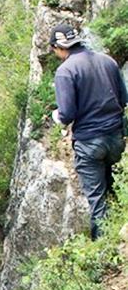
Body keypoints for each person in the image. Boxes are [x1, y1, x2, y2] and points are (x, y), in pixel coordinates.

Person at [50, 23, 128, 239]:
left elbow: (67, 114)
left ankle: (103, 250)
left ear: (58, 47)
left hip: (89, 143)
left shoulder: (65, 71)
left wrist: (56, 116)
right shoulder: (107, 61)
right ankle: (120, 235)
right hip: (116, 139)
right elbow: (124, 100)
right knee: (116, 190)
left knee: (97, 200)